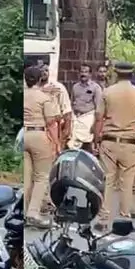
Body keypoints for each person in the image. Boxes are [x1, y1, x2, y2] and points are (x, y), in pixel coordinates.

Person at [92, 61, 135, 231]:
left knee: (107, 180)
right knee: (127, 183)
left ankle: (103, 218)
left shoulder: (108, 92)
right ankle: (124, 218)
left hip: (109, 140)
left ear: (116, 73)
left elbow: (99, 118)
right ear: (132, 74)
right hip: (129, 142)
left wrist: (96, 139)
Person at [23, 65, 60, 228]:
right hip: (39, 134)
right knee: (42, 176)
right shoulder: (44, 98)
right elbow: (51, 123)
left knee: (26, 176)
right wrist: (56, 144)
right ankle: (33, 212)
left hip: (24, 134)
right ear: (40, 79)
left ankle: (23, 211)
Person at [68, 64, 103, 152]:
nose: (83, 74)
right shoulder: (75, 87)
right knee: (72, 144)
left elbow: (99, 108)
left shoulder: (96, 88)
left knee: (87, 144)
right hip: (76, 118)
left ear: (90, 74)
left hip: (88, 118)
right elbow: (72, 103)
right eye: (81, 72)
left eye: (86, 72)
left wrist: (95, 124)